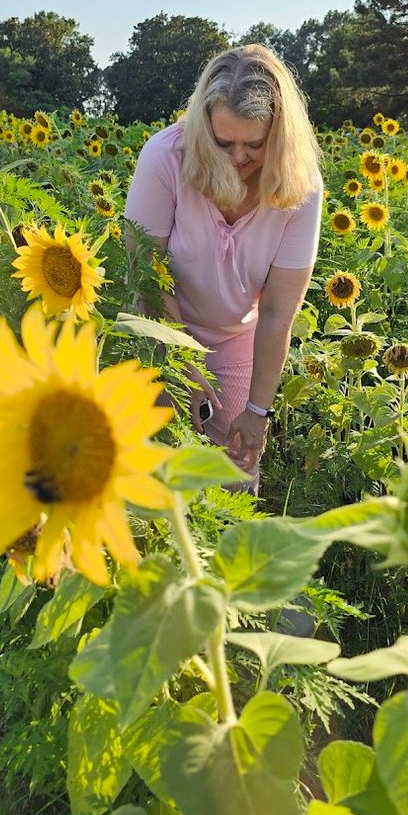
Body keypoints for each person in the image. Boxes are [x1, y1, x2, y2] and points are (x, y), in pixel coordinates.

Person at [124, 44, 322, 490]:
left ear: (280, 134)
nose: (237, 158)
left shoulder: (302, 185)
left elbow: (277, 312)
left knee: (236, 470)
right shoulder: (165, 158)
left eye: (254, 144)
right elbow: (146, 275)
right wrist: (182, 365)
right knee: (159, 465)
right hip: (160, 327)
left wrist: (258, 412)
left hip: (237, 337)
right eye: (222, 141)